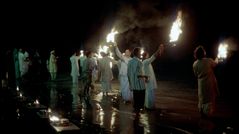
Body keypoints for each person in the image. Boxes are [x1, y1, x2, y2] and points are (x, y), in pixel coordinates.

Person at [193, 45, 219, 118]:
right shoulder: (209, 60)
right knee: (210, 98)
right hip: (209, 83)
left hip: (201, 83)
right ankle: (208, 118)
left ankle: (202, 114)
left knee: (202, 98)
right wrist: (217, 58)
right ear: (203, 53)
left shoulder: (195, 64)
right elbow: (215, 64)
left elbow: (195, 74)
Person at [142, 44, 164, 110]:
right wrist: (158, 50)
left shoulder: (146, 62)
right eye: (147, 54)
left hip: (149, 79)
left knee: (151, 92)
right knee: (149, 93)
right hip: (148, 80)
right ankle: (148, 106)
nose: (148, 55)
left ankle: (150, 105)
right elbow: (153, 57)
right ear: (145, 55)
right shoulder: (146, 61)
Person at [127, 47, 147, 114]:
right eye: (140, 52)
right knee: (139, 99)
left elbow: (129, 73)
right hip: (139, 84)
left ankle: (136, 113)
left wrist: (130, 83)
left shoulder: (131, 61)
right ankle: (137, 113)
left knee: (137, 99)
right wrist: (145, 76)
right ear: (137, 53)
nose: (141, 53)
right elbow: (135, 74)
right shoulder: (137, 62)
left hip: (136, 84)